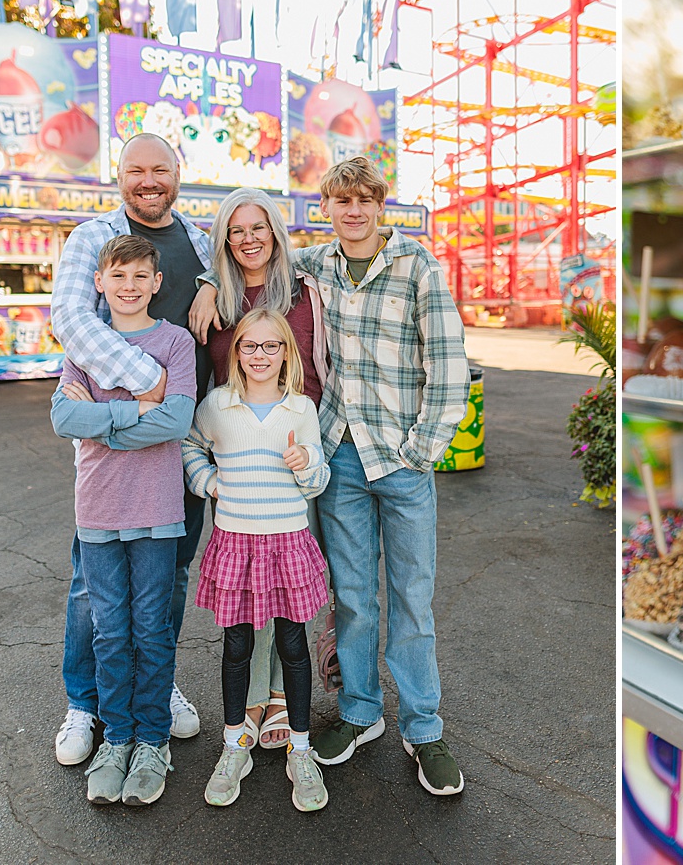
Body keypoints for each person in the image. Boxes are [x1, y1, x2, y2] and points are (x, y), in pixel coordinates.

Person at [192, 156, 469, 795]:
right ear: (327, 209)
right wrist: (208, 279)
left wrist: (420, 450)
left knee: (411, 600)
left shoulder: (417, 268)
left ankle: (424, 728)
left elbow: (450, 368)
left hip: (399, 461)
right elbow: (250, 255)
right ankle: (361, 712)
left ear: (380, 206)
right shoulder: (317, 266)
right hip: (340, 454)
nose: (352, 212)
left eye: (363, 202)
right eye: (340, 202)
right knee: (351, 597)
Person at [49, 133, 211, 767]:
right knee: (95, 586)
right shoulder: (93, 236)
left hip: (180, 442)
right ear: (118, 176)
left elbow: (248, 271)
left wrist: (207, 285)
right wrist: (144, 387)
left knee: (165, 577)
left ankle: (154, 686)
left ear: (177, 175)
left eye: (161, 170)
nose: (149, 180)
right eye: (135, 170)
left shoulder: (199, 240)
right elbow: (71, 319)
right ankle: (84, 704)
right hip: (113, 455)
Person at [182, 309, 331, 811]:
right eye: (250, 346)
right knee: (237, 646)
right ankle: (233, 747)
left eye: (271, 346)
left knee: (293, 645)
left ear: (287, 351)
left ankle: (301, 748)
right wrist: (209, 483)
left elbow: (318, 479)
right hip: (237, 542)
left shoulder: (301, 410)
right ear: (236, 353)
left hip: (287, 540)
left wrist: (307, 463)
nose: (260, 355)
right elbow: (190, 448)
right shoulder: (217, 406)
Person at [206, 187, 327, 749]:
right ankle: (251, 703)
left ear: (276, 233)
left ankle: (282, 699)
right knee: (244, 599)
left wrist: (309, 450)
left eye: (259, 227)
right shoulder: (217, 302)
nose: (249, 238)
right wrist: (210, 472)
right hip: (241, 450)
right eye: (237, 230)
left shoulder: (303, 292)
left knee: (286, 596)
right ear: (225, 241)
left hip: (297, 443)